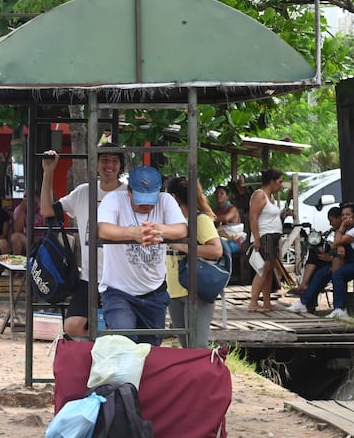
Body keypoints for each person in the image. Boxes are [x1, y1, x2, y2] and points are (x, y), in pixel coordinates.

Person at [40, 146, 128, 338]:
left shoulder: (129, 194)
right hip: (90, 278)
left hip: (122, 278)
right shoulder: (83, 192)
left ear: (121, 165)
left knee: (123, 326)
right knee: (72, 326)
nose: (109, 165)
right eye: (105, 160)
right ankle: (101, 349)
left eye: (114, 161)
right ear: (96, 163)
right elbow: (47, 210)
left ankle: (110, 349)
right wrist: (48, 172)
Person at [97, 165, 187, 346]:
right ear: (128, 191)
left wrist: (158, 229)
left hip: (154, 291)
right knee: (124, 342)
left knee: (151, 349)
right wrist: (133, 234)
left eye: (150, 199)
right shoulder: (113, 199)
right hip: (118, 291)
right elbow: (104, 229)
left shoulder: (166, 200)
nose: (146, 205)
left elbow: (181, 229)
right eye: (140, 200)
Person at [165, 177, 222, 349]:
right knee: (186, 345)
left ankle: (207, 375)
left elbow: (216, 250)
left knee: (197, 346)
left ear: (173, 197)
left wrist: (183, 247)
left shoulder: (199, 219)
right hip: (175, 290)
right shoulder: (173, 222)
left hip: (196, 289)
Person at [285, 206, 343, 313]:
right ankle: (305, 286)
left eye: (331, 220)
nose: (330, 224)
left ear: (339, 218)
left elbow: (343, 253)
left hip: (342, 263)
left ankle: (304, 300)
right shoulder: (338, 231)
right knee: (314, 253)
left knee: (321, 273)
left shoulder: (348, 232)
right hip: (335, 261)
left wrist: (330, 259)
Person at [325, 202, 354, 319]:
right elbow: (336, 245)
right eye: (343, 215)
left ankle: (340, 308)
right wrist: (340, 245)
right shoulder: (348, 231)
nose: (345, 217)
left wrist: (341, 228)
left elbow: (336, 241)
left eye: (348, 215)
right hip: (353, 263)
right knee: (333, 274)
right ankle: (340, 307)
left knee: (338, 275)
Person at [248, 168, 285, 312]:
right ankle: (253, 302)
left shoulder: (271, 198)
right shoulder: (260, 195)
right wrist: (257, 238)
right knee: (263, 268)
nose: (281, 185)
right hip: (265, 236)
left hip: (273, 235)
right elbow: (253, 217)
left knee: (269, 270)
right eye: (279, 182)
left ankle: (267, 302)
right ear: (271, 181)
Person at [213, 185, 244, 252]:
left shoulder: (232, 209)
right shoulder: (215, 211)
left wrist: (209, 218)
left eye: (221, 193)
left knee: (217, 248)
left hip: (233, 243)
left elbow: (225, 218)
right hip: (219, 240)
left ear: (227, 197)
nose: (218, 195)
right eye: (217, 193)